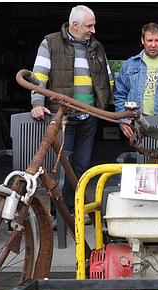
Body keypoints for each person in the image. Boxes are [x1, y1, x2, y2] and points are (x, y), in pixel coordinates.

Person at [30, 5, 114, 213]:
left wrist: (105, 106)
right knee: (61, 166)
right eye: (90, 25)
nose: (93, 30)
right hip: (62, 117)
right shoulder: (50, 42)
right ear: (74, 25)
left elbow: (108, 77)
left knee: (80, 166)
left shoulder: (96, 46)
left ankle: (71, 210)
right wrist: (37, 103)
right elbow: (38, 75)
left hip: (89, 116)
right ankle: (58, 213)